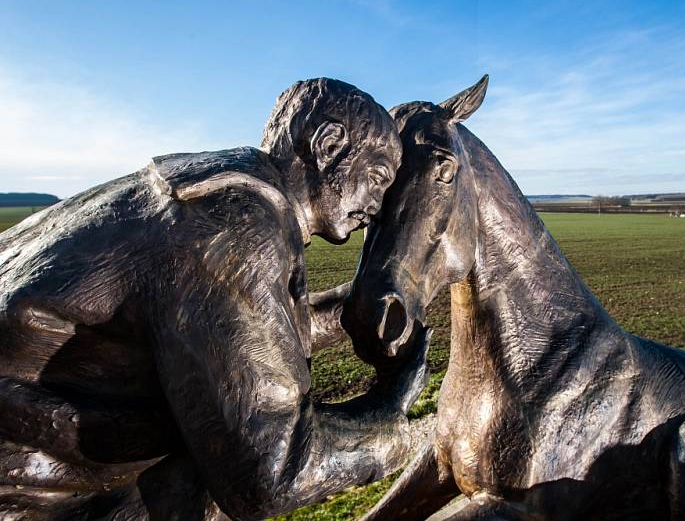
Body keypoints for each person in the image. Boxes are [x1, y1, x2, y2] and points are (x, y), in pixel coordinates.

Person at [0, 78, 428, 520]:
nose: (377, 203)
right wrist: (392, 410)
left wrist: (354, 310)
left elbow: (254, 336)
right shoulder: (234, 228)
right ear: (328, 144)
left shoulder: (206, 191)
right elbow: (277, 474)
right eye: (377, 178)